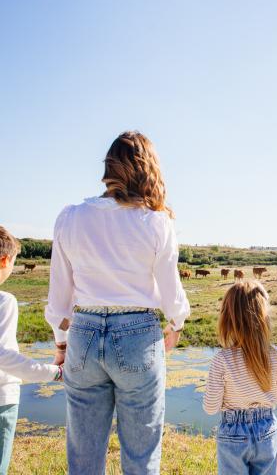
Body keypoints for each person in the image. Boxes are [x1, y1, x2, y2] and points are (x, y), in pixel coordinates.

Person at [45, 131, 190, 474]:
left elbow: (58, 297)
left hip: (84, 333)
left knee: (83, 455)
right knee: (141, 457)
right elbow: (172, 294)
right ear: (148, 169)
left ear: (109, 167)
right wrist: (176, 324)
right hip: (139, 334)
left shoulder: (70, 217)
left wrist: (61, 342)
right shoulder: (157, 222)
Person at [203, 280, 277, 475]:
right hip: (268, 428)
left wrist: (234, 401)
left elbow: (210, 408)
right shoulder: (275, 354)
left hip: (233, 433)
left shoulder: (222, 359)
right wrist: (265, 399)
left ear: (227, 319)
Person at [0, 226, 62, 475]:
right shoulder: (5, 301)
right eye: (14, 262)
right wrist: (54, 373)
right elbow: (3, 356)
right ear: (4, 260)